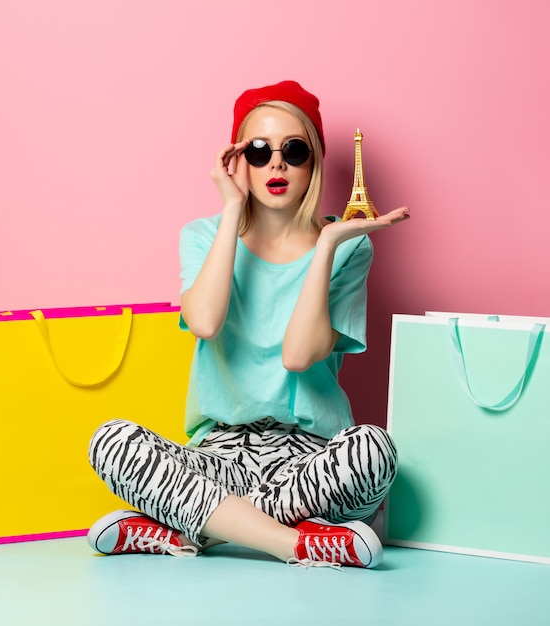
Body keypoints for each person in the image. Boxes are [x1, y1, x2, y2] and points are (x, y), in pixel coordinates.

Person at [87, 80, 410, 568]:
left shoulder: (348, 247)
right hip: (217, 456)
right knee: (110, 441)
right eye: (259, 151)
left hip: (308, 464)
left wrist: (325, 247)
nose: (276, 164)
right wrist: (232, 208)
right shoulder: (202, 236)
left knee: (374, 451)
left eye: (294, 151)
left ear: (315, 162)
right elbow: (205, 322)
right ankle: (293, 542)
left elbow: (298, 356)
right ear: (238, 160)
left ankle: (199, 529)